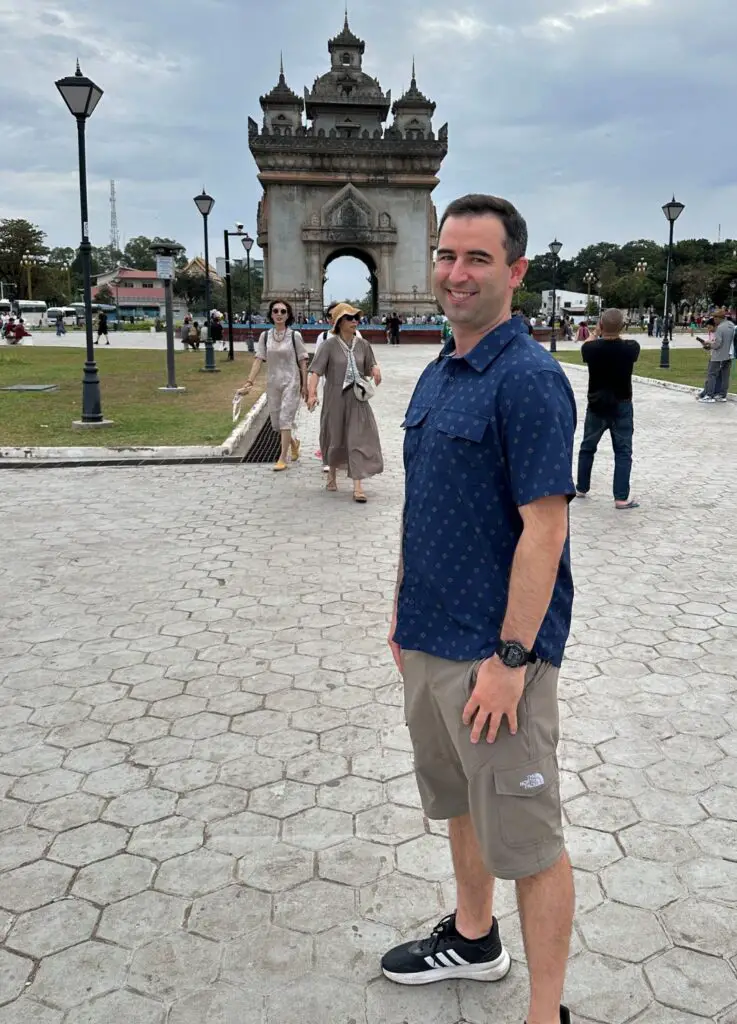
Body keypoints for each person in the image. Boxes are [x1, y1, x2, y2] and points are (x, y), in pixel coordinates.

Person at [385, 193, 576, 1024]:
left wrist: (509, 662)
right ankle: (471, 936)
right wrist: (399, 613)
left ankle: (543, 1014)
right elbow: (424, 502)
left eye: (477, 260)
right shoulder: (439, 367)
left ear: (515, 272)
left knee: (529, 842)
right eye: (446, 256)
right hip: (428, 640)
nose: (455, 274)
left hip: (491, 658)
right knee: (457, 801)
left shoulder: (528, 380)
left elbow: (545, 530)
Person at [306, 301, 383, 502]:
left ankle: (358, 486)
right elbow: (315, 371)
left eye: (356, 317)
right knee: (335, 435)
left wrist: (375, 368)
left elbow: (369, 366)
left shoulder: (363, 345)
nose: (354, 321)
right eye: (349, 317)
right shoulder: (328, 345)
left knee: (359, 438)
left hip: (357, 399)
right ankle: (332, 473)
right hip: (334, 398)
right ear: (339, 321)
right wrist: (312, 393)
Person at [575, 308, 640, 509]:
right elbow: (621, 341)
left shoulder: (591, 349)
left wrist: (595, 333)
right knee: (622, 451)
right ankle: (621, 497)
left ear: (601, 325)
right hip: (622, 403)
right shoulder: (631, 347)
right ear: (622, 327)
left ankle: (581, 487)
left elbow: (585, 346)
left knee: (587, 447)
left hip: (596, 403)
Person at [236, 298, 308, 471]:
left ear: (288, 315)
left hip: (291, 382)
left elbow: (303, 361)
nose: (279, 314)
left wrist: (305, 385)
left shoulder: (294, 336)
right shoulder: (265, 336)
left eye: (283, 311)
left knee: (285, 419)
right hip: (273, 382)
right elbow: (258, 359)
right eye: (275, 311)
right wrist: (249, 382)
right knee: (276, 422)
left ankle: (283, 457)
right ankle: (293, 443)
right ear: (270, 314)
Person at [696, 308, 734, 402]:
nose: (714, 320)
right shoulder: (731, 325)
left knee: (712, 375)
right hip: (729, 354)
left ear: (718, 318)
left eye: (715, 318)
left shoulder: (720, 328)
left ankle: (709, 395)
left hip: (718, 356)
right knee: (725, 375)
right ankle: (722, 395)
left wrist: (708, 345)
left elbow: (717, 344)